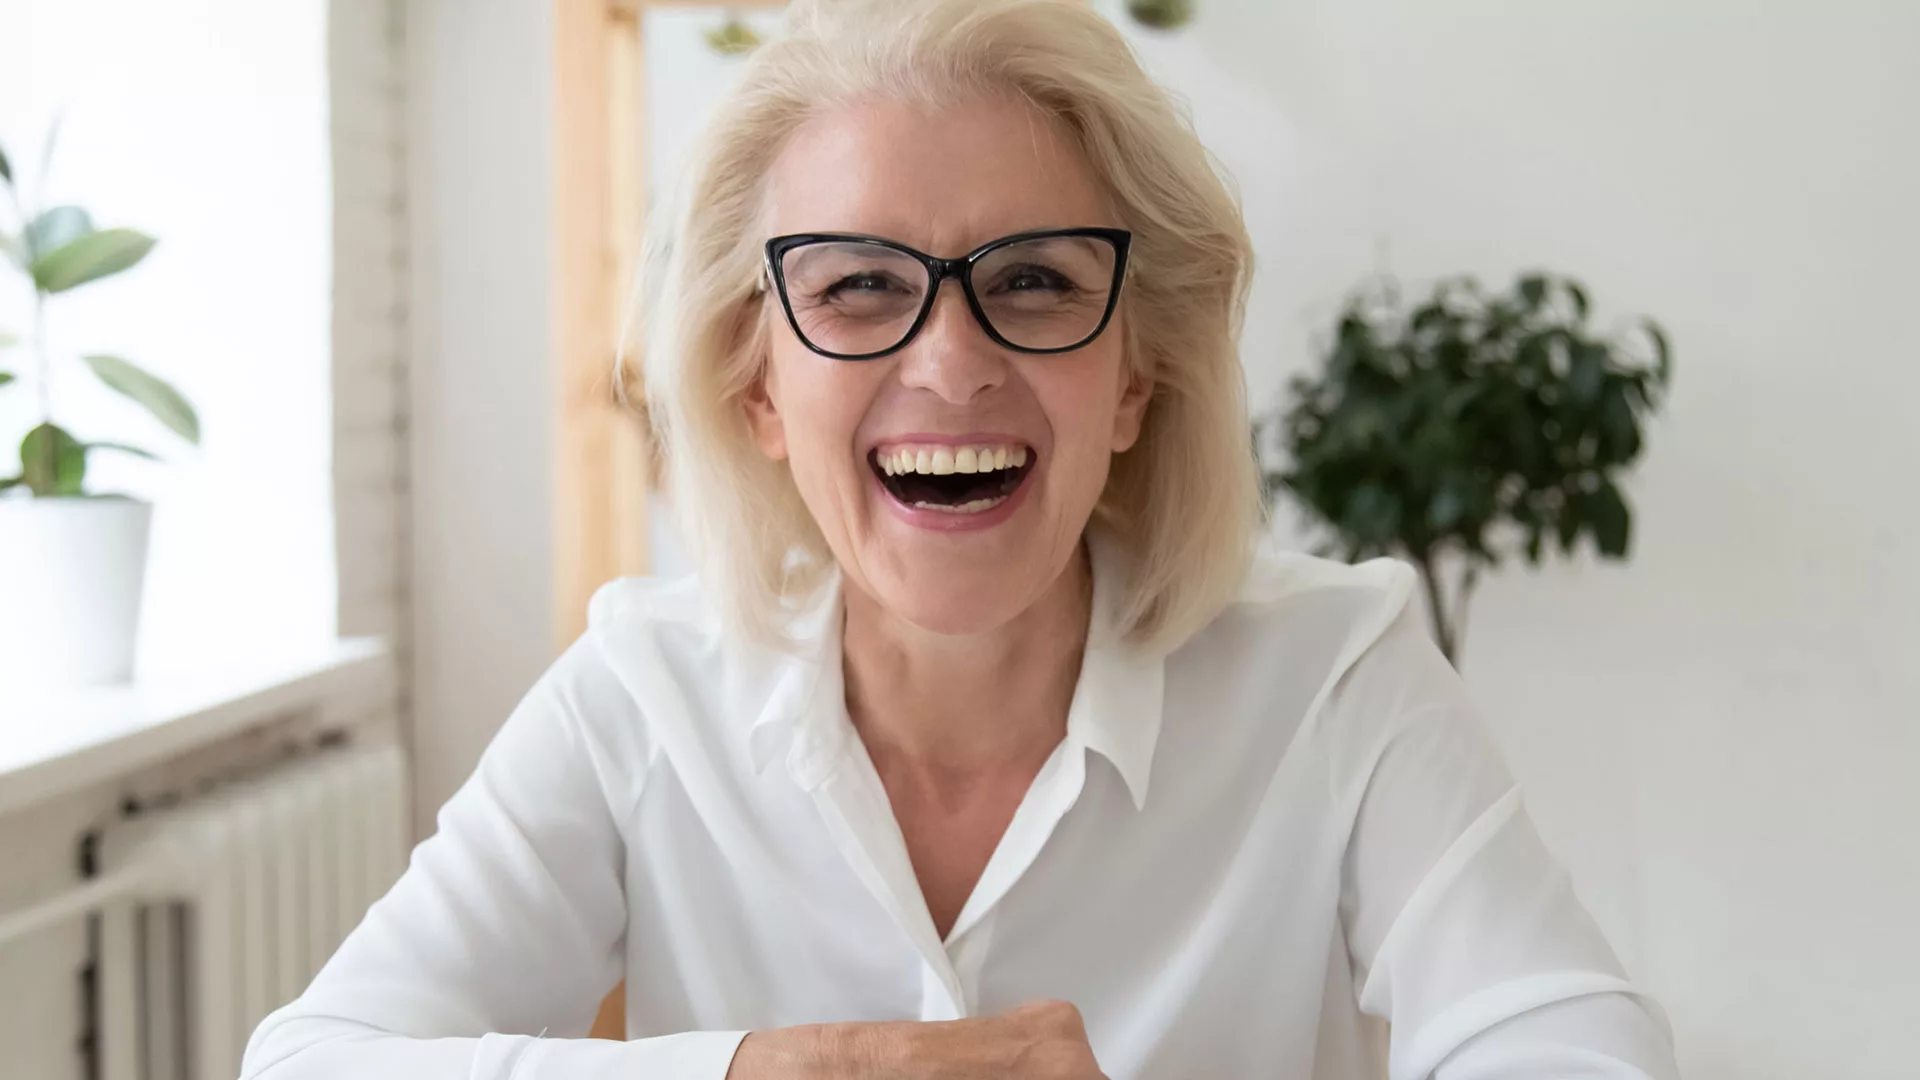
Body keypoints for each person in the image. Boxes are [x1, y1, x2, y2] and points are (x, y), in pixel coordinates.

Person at [242, 0, 1678, 1076]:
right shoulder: (642, 697)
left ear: (1135, 379)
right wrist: (784, 1069)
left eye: (1037, 280)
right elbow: (317, 1062)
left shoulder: (1337, 676)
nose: (951, 360)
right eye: (861, 286)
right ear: (757, 385)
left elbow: (1572, 1048)